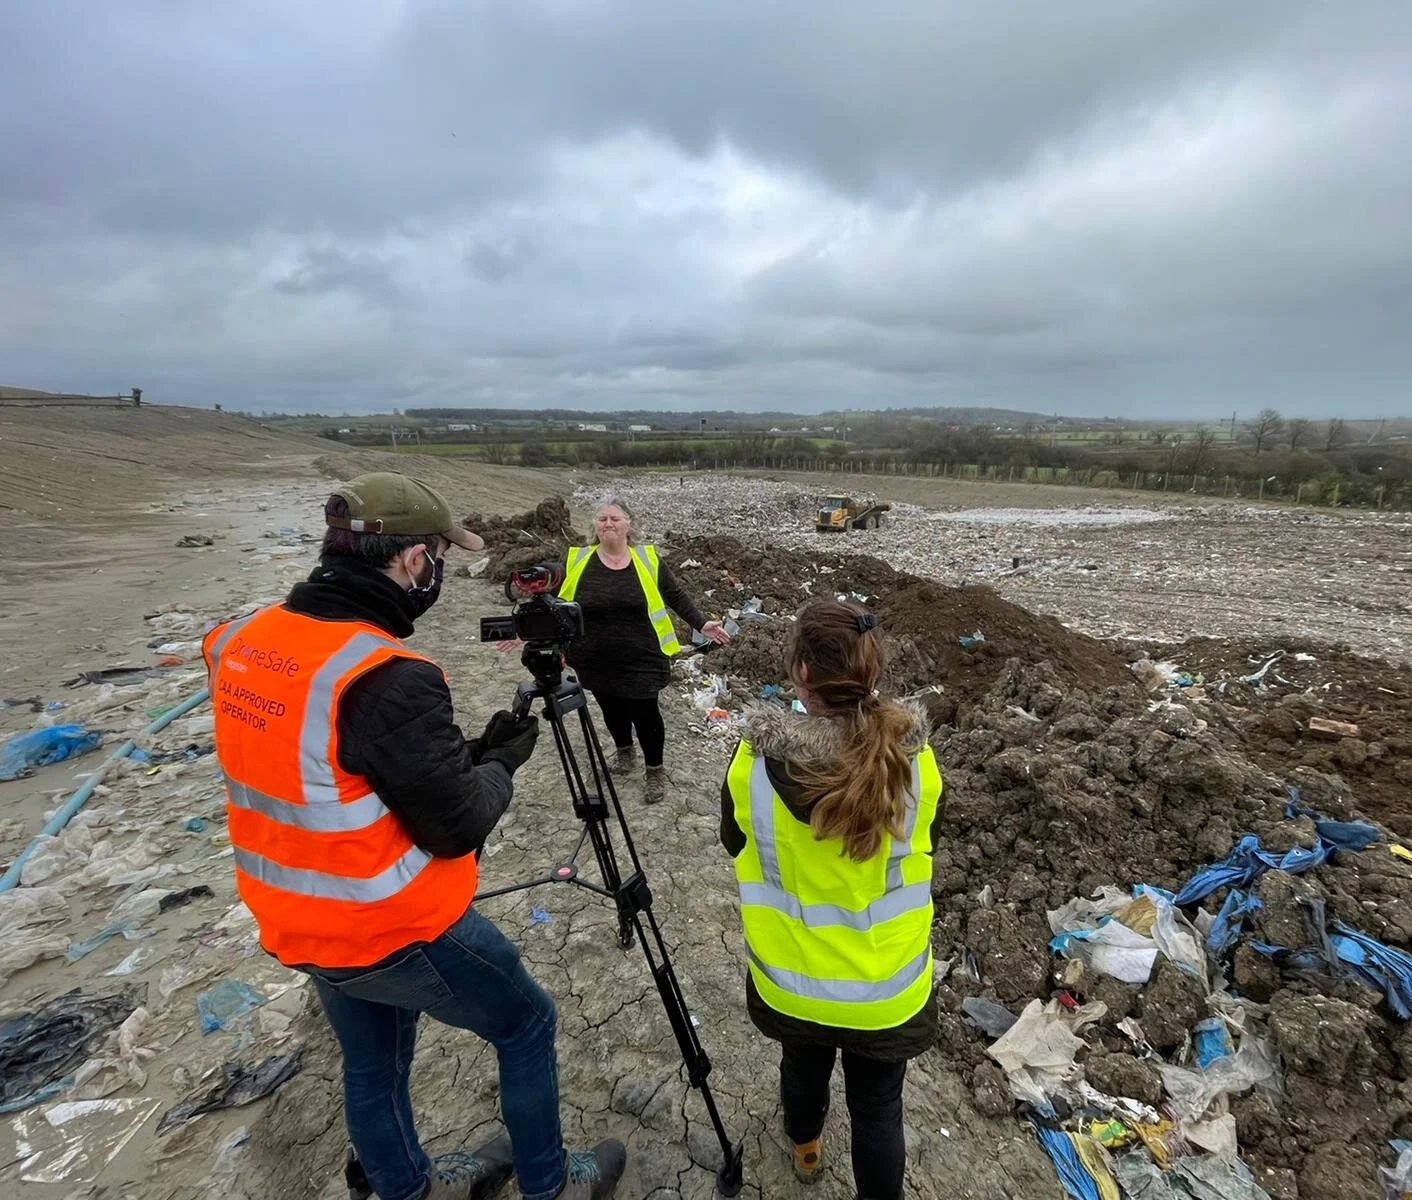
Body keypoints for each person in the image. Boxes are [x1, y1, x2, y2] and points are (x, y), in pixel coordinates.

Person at [203, 472, 627, 1200]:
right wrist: (498, 762)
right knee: (527, 1024)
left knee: (373, 1064)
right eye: (440, 556)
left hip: (294, 917)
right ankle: (550, 1184)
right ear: (412, 561)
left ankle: (405, 1189)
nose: (439, 571)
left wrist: (459, 757)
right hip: (392, 925)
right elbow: (456, 825)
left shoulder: (237, 641)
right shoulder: (386, 675)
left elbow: (336, 764)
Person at [719, 600, 942, 1200]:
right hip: (886, 986)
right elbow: (928, 843)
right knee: (878, 1106)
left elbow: (733, 841)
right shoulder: (915, 762)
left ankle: (806, 1147)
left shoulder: (753, 764)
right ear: (872, 673)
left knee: (803, 1066)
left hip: (792, 978)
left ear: (801, 673)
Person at [557, 499, 729, 804]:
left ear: (629, 524)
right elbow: (557, 604)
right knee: (611, 708)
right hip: (593, 657)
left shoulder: (647, 559)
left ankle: (654, 769)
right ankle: (624, 752)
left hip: (642, 656)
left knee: (645, 713)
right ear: (595, 525)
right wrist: (538, 637)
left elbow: (675, 595)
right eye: (602, 518)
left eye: (614, 518)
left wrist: (702, 624)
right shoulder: (577, 559)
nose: (608, 524)